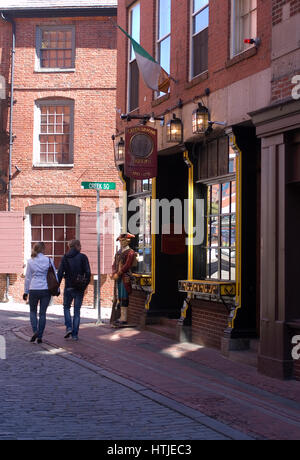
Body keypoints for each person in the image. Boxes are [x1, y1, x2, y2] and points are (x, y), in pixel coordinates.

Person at [23, 242, 59, 344]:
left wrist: (26, 292)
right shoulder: (48, 260)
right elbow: (54, 275)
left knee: (33, 312)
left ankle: (35, 331)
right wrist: (57, 289)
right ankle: (40, 336)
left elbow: (28, 278)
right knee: (42, 314)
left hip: (33, 288)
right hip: (45, 289)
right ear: (43, 249)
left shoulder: (30, 261)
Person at [57, 239, 91, 341]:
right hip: (79, 288)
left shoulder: (65, 258)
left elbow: (59, 273)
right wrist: (85, 285)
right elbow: (88, 273)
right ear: (76, 246)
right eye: (80, 246)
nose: (81, 248)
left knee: (66, 308)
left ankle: (69, 327)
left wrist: (57, 286)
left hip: (68, 286)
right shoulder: (83, 257)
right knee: (77, 311)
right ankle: (75, 335)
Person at [111, 233, 136, 326]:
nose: (122, 242)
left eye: (123, 240)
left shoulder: (130, 252)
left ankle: (124, 318)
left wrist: (118, 273)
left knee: (124, 297)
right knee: (120, 297)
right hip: (118, 277)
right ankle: (121, 316)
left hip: (125, 277)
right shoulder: (118, 252)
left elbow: (127, 265)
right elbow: (114, 264)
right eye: (121, 241)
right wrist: (113, 272)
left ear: (128, 241)